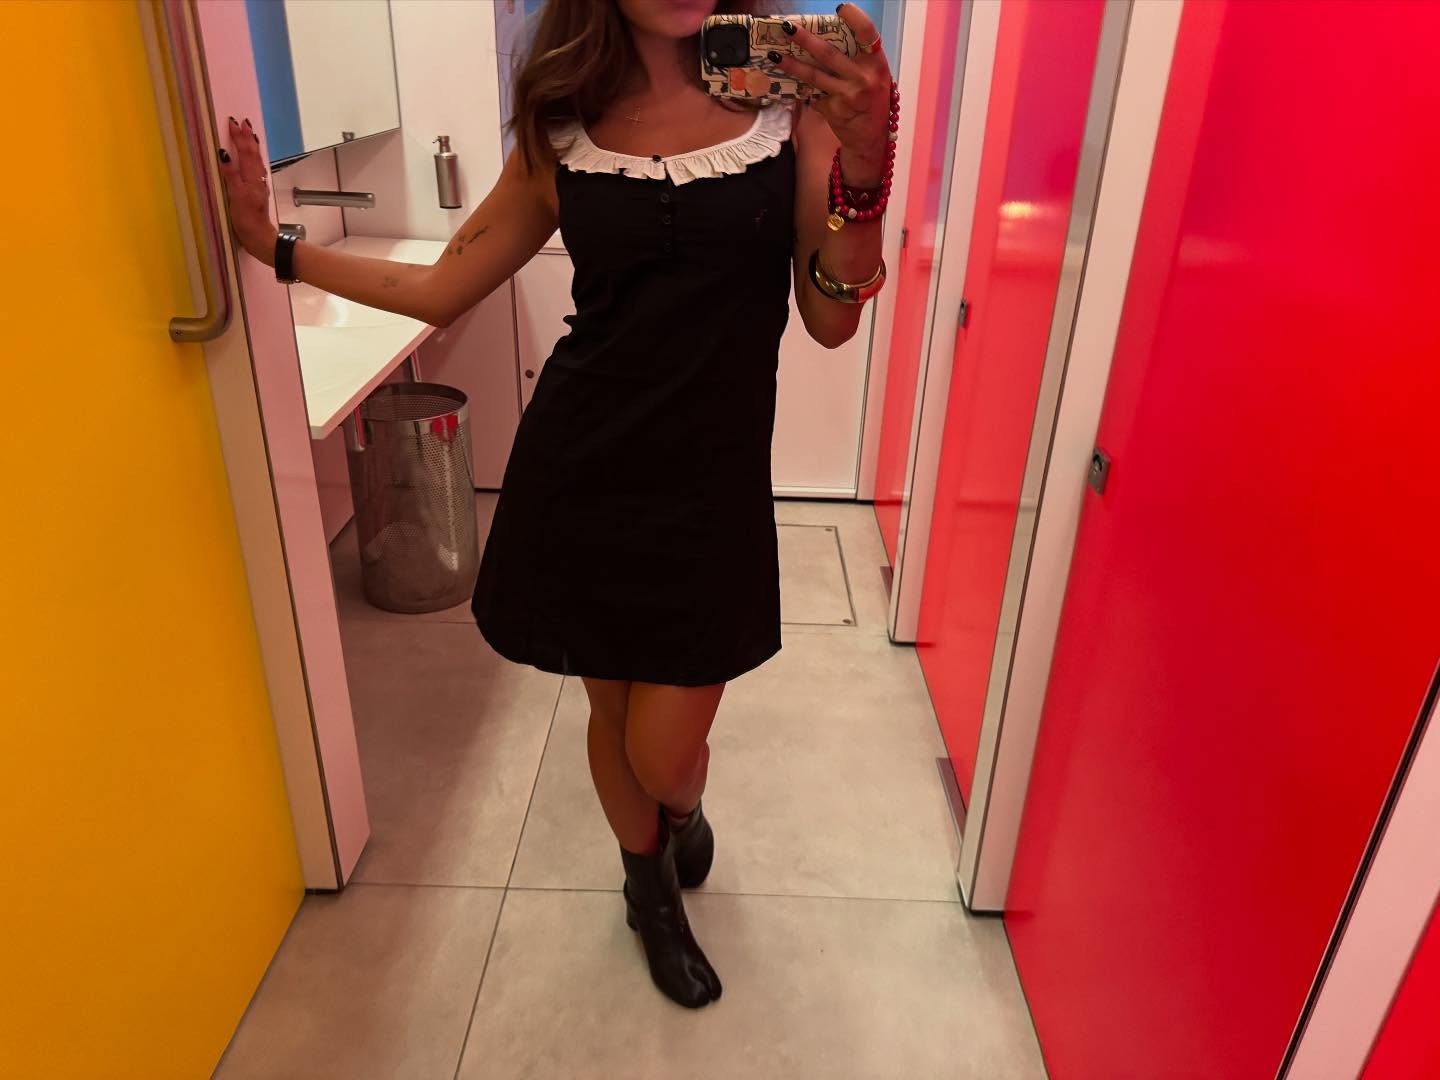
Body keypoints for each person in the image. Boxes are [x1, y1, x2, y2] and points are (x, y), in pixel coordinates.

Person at [220, 0, 895, 1009]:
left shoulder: (785, 105)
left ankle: (680, 812)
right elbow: (443, 286)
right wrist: (276, 250)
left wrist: (866, 164)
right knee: (611, 713)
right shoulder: (564, 121)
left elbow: (830, 321)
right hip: (582, 473)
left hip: (710, 489)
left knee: (664, 756)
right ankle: (648, 893)